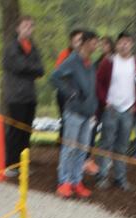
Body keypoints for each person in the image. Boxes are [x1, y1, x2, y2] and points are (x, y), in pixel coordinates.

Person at [93, 31, 136, 190]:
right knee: (106, 143)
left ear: (132, 44)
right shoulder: (109, 62)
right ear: (117, 44)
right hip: (111, 109)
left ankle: (120, 178)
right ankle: (102, 176)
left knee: (122, 146)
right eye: (121, 42)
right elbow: (99, 82)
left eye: (127, 42)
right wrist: (105, 101)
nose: (124, 45)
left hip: (128, 110)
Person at [51, 31, 100, 198]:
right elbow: (55, 77)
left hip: (87, 113)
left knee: (82, 149)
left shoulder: (90, 64)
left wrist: (93, 108)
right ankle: (64, 182)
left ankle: (76, 181)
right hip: (74, 112)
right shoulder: (72, 61)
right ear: (85, 43)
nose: (96, 46)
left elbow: (92, 88)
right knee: (70, 148)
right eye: (93, 42)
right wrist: (70, 92)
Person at [0, 16, 44, 170]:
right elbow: (20, 66)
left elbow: (41, 69)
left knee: (26, 132)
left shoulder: (33, 47)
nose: (28, 29)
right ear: (18, 28)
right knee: (15, 132)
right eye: (25, 26)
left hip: (30, 96)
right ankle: (11, 165)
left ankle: (23, 163)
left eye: (31, 26)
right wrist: (31, 68)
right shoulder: (12, 47)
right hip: (16, 97)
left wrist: (30, 67)